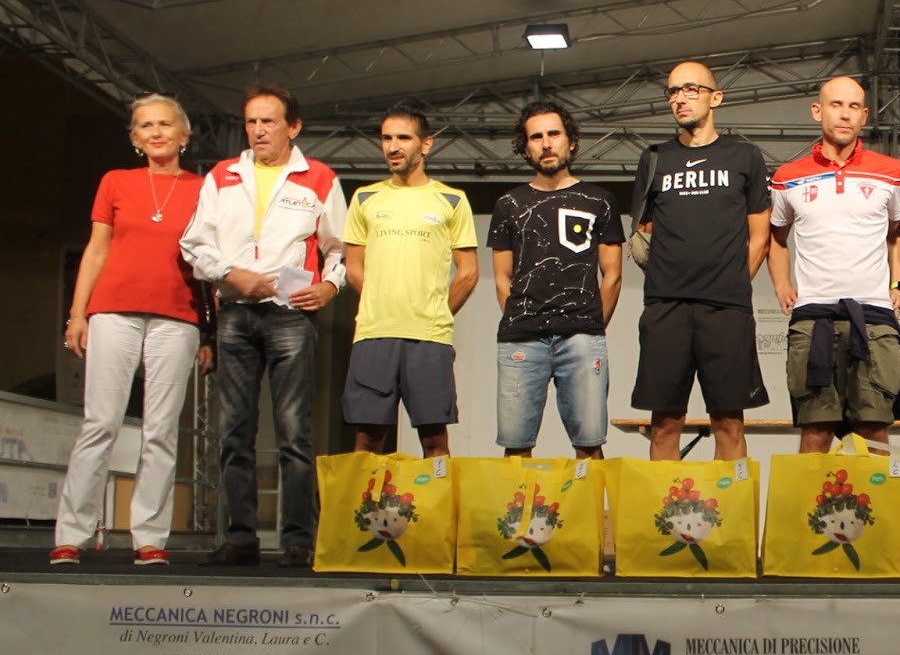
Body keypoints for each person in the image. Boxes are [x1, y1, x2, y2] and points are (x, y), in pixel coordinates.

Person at [181, 83, 347, 568]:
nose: (258, 130)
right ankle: (241, 538)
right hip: (235, 311)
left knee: (294, 431)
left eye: (268, 121)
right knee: (235, 430)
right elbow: (194, 244)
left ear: (293, 127)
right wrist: (232, 275)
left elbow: (340, 248)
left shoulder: (319, 178)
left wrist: (331, 286)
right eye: (251, 121)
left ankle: (297, 540)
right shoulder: (222, 175)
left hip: (291, 313)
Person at [51, 94, 214, 567]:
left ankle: (149, 537)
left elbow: (211, 264)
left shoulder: (204, 189)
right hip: (113, 310)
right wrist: (77, 313)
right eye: (145, 125)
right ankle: (71, 534)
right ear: (135, 138)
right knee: (100, 423)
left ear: (184, 135)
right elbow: (97, 249)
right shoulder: (115, 182)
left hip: (178, 314)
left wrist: (211, 332)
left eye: (165, 124)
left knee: (161, 430)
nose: (156, 132)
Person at [629, 60, 771, 460]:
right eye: (673, 91)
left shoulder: (744, 156)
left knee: (729, 423)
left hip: (726, 309)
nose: (681, 98)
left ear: (716, 98)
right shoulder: (654, 158)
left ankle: (730, 504)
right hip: (665, 307)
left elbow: (760, 236)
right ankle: (664, 504)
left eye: (691, 89)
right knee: (664, 424)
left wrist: (732, 282)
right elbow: (644, 233)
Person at [769, 76, 900, 452]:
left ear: (864, 116)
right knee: (815, 432)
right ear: (818, 111)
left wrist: (899, 283)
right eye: (836, 105)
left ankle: (877, 497)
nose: (845, 114)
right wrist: (781, 283)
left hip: (874, 315)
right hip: (813, 316)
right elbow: (776, 238)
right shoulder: (787, 176)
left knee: (874, 431)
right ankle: (809, 497)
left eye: (853, 107)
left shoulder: (891, 170)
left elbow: (896, 234)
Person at [342, 102, 479, 458]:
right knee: (367, 440)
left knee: (434, 441)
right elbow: (353, 267)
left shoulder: (452, 200)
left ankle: (438, 499)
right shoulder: (364, 198)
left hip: (428, 339)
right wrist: (381, 302)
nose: (393, 146)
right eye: (386, 138)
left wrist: (436, 312)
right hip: (374, 334)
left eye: (403, 138)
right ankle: (365, 499)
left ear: (425, 144)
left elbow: (468, 273)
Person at [489, 100, 622, 459]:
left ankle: (588, 503)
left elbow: (612, 275)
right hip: (521, 340)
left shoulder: (599, 200)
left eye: (554, 134)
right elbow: (501, 277)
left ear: (571, 141)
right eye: (536, 137)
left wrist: (591, 327)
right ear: (525, 147)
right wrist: (521, 318)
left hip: (582, 339)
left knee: (589, 447)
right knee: (516, 449)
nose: (546, 143)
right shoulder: (508, 204)